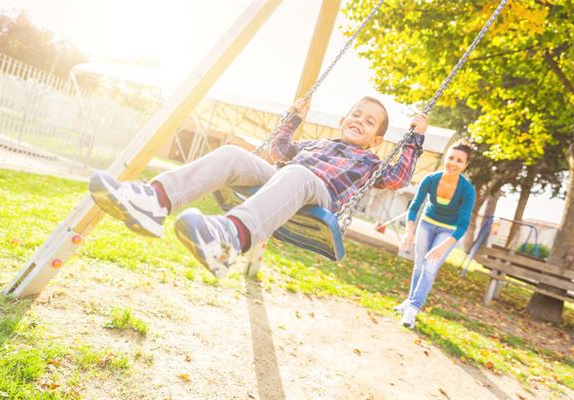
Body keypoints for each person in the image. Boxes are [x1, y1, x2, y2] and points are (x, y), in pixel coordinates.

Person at [89, 97, 429, 277]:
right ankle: (155, 201)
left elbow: (398, 178)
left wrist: (415, 137)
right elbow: (278, 152)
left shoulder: (370, 163)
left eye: (369, 122)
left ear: (377, 139)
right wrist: (293, 119)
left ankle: (229, 240)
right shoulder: (315, 145)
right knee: (234, 154)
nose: (359, 121)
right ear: (342, 120)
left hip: (320, 198)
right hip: (287, 180)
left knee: (298, 175)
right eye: (355, 114)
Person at [395, 140, 476, 328]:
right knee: (418, 265)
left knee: (430, 268)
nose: (453, 163)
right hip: (427, 223)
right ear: (446, 158)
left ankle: (413, 309)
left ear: (466, 165)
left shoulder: (467, 190)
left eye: (459, 161)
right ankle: (409, 301)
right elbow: (415, 206)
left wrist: (443, 246)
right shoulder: (431, 179)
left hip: (448, 231)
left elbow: (464, 224)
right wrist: (409, 232)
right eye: (451, 158)